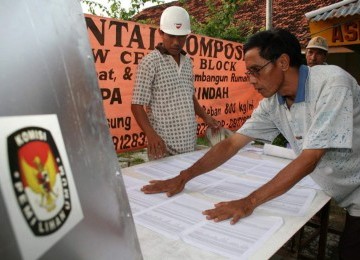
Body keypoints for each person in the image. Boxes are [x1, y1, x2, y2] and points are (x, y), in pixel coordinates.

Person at [141, 28, 360, 259]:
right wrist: (183, 177)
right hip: (342, 191)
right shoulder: (272, 104)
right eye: (249, 72)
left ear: (283, 62)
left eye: (256, 70)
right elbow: (232, 144)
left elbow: (310, 158)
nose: (251, 80)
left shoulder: (333, 84)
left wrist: (249, 202)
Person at [131, 6, 219, 160]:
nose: (176, 42)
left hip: (189, 141)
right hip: (163, 145)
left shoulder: (187, 62)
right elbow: (137, 105)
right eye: (171, 36)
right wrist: (151, 135)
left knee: (187, 182)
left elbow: (189, 96)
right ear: (161, 33)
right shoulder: (150, 62)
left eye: (181, 37)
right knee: (162, 183)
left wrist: (206, 117)